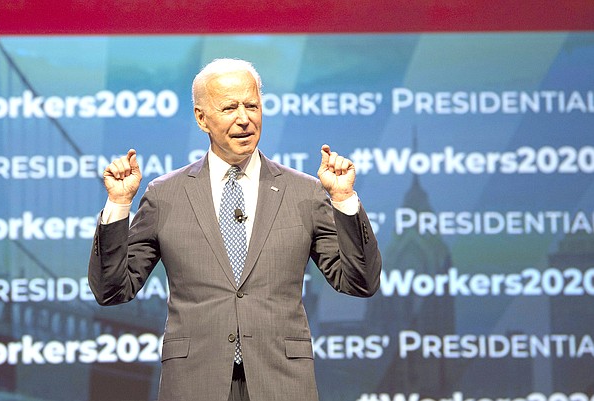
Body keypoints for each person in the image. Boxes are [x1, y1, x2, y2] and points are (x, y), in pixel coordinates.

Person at [88, 58, 382, 401]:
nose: (244, 118)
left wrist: (344, 199)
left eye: (252, 105)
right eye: (230, 107)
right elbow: (112, 290)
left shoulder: (304, 192)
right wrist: (119, 204)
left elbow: (360, 282)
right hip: (195, 381)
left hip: (282, 382)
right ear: (201, 118)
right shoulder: (165, 195)